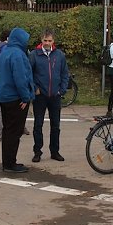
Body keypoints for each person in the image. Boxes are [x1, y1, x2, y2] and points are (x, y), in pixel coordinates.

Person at [0, 27, 35, 173]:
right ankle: (11, 164)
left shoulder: (5, 51)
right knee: (14, 132)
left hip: (3, 97)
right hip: (15, 98)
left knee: (7, 131)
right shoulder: (18, 54)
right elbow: (20, 78)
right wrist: (26, 97)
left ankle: (7, 162)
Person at [29, 28, 69, 163]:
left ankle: (55, 151)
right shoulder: (34, 55)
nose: (47, 43)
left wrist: (61, 90)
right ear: (41, 40)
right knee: (38, 125)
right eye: (45, 40)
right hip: (40, 96)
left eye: (50, 40)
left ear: (53, 41)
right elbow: (29, 74)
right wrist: (35, 89)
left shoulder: (59, 55)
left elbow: (64, 74)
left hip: (55, 95)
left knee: (56, 125)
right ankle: (37, 151)